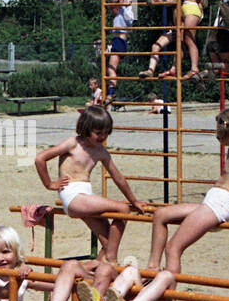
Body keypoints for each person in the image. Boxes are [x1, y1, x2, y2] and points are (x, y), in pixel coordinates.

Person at [145, 107, 229, 273]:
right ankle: (152, 267)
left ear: (225, 130)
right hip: (214, 202)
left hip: (219, 205)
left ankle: (167, 289)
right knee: (160, 215)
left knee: (173, 248)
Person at [33, 105, 146, 265]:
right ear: (86, 129)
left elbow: (118, 177)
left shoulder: (101, 151)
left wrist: (134, 200)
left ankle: (88, 277)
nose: (102, 136)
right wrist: (49, 183)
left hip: (85, 196)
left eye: (106, 132)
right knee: (123, 209)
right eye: (98, 133)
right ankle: (113, 260)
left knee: (108, 243)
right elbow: (40, 158)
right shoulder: (72, 144)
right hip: (73, 195)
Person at [105, 0, 137, 101]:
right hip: (119, 42)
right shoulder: (127, 12)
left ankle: (111, 93)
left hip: (119, 41)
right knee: (112, 68)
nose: (111, 11)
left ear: (115, 7)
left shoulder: (123, 11)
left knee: (111, 69)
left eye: (112, 9)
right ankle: (111, 92)